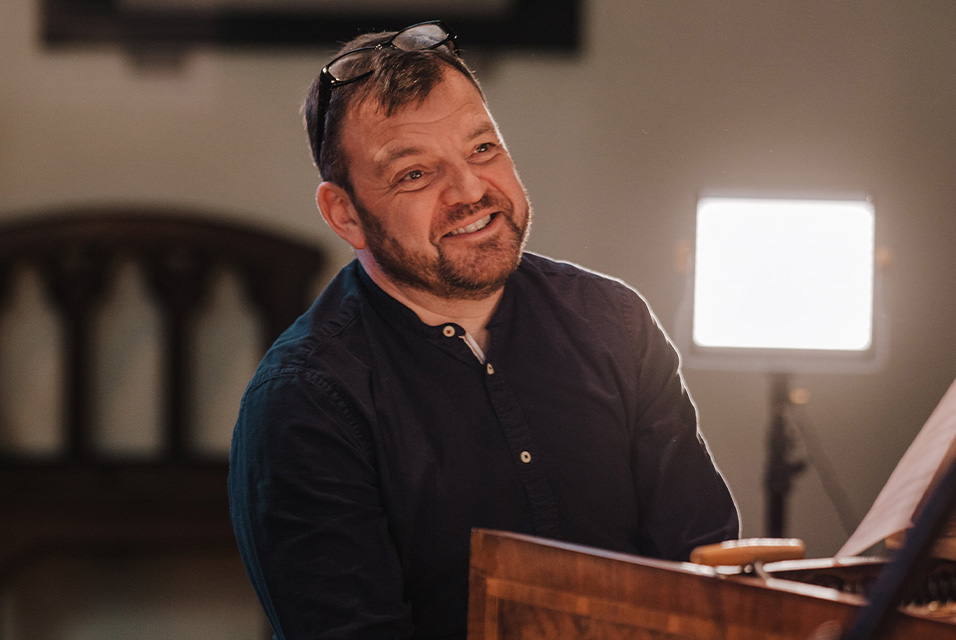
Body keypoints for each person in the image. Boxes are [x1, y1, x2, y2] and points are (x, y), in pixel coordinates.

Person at [228, 20, 739, 640]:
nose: (471, 190)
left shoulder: (614, 322)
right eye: (415, 174)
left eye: (482, 149)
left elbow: (704, 575)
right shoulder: (304, 400)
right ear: (346, 213)